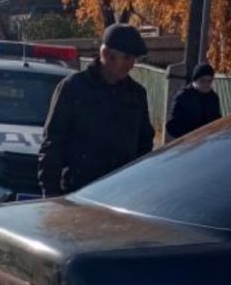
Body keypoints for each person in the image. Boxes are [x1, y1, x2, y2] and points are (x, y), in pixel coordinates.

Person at [38, 23, 155, 196]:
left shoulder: (136, 94)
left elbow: (144, 144)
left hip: (121, 194)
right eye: (128, 57)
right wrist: (52, 195)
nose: (131, 64)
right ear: (107, 54)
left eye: (134, 59)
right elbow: (53, 144)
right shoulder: (74, 88)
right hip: (78, 192)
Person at [165, 62, 222, 140]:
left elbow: (217, 121)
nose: (206, 84)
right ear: (195, 80)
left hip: (208, 141)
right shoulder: (183, 97)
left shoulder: (213, 98)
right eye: (203, 80)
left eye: (209, 81)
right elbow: (174, 125)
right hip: (188, 143)